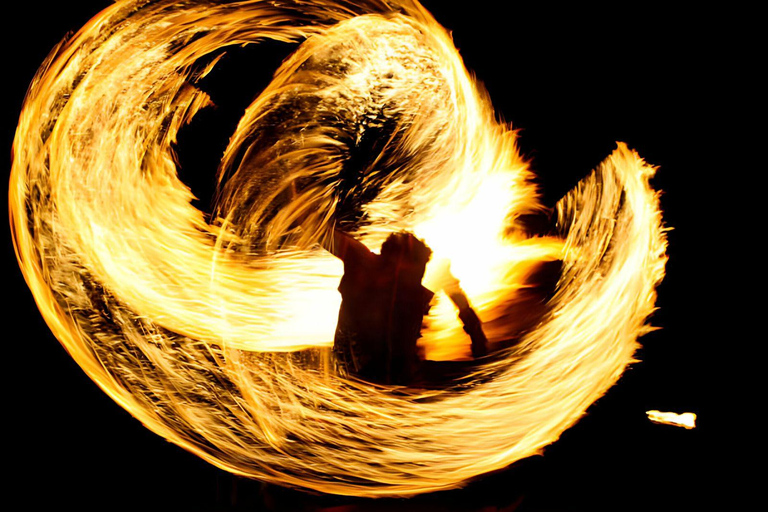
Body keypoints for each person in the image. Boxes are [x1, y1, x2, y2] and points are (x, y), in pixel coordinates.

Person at [324, 229, 487, 385]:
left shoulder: (415, 288)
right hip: (357, 378)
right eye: (417, 270)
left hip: (402, 377)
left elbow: (454, 292)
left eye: (422, 270)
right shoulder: (362, 262)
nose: (419, 277)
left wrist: (477, 336)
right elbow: (324, 234)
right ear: (393, 261)